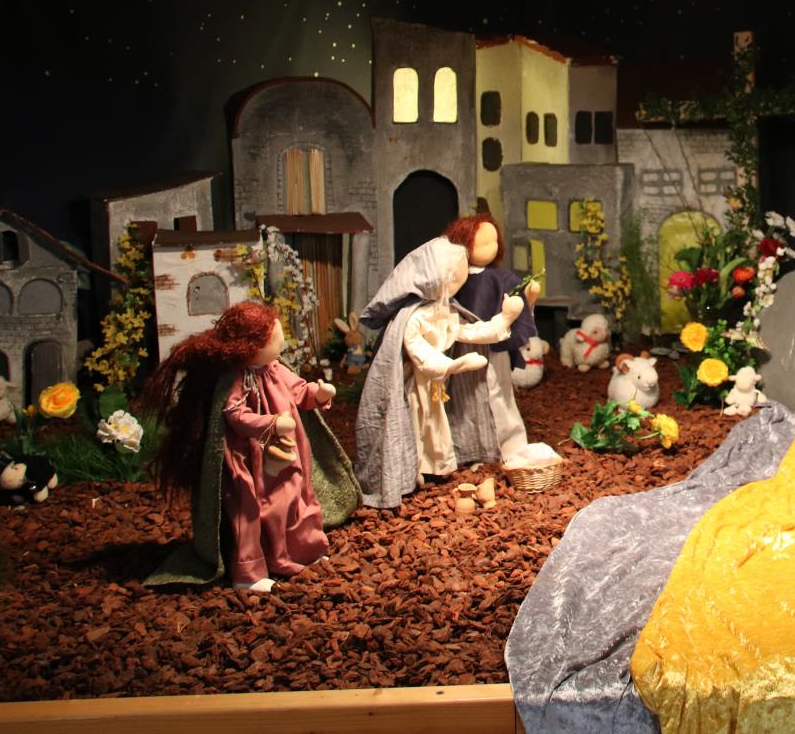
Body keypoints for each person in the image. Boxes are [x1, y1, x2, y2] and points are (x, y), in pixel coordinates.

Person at [140, 301, 360, 591]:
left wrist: (318, 393)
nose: (280, 341)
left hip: (284, 455)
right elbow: (235, 415)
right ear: (251, 346)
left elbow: (298, 390)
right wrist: (270, 423)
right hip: (250, 459)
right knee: (249, 511)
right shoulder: (237, 378)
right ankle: (249, 572)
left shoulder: (275, 368)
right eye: (273, 337)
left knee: (295, 500)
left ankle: (301, 551)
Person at [354, 236, 528, 509]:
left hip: (434, 384)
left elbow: (470, 331)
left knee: (436, 422)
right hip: (414, 383)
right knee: (415, 422)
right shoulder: (413, 317)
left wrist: (504, 318)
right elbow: (420, 352)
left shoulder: (445, 310)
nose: (461, 279)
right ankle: (409, 470)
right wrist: (453, 366)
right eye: (455, 275)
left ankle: (434, 465)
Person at [443, 213, 558, 468]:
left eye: (494, 242)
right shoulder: (456, 277)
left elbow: (517, 306)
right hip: (462, 347)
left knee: (498, 393)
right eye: (483, 243)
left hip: (494, 347)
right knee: (463, 399)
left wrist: (528, 298)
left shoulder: (498, 277)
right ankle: (467, 447)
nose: (491, 248)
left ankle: (507, 446)